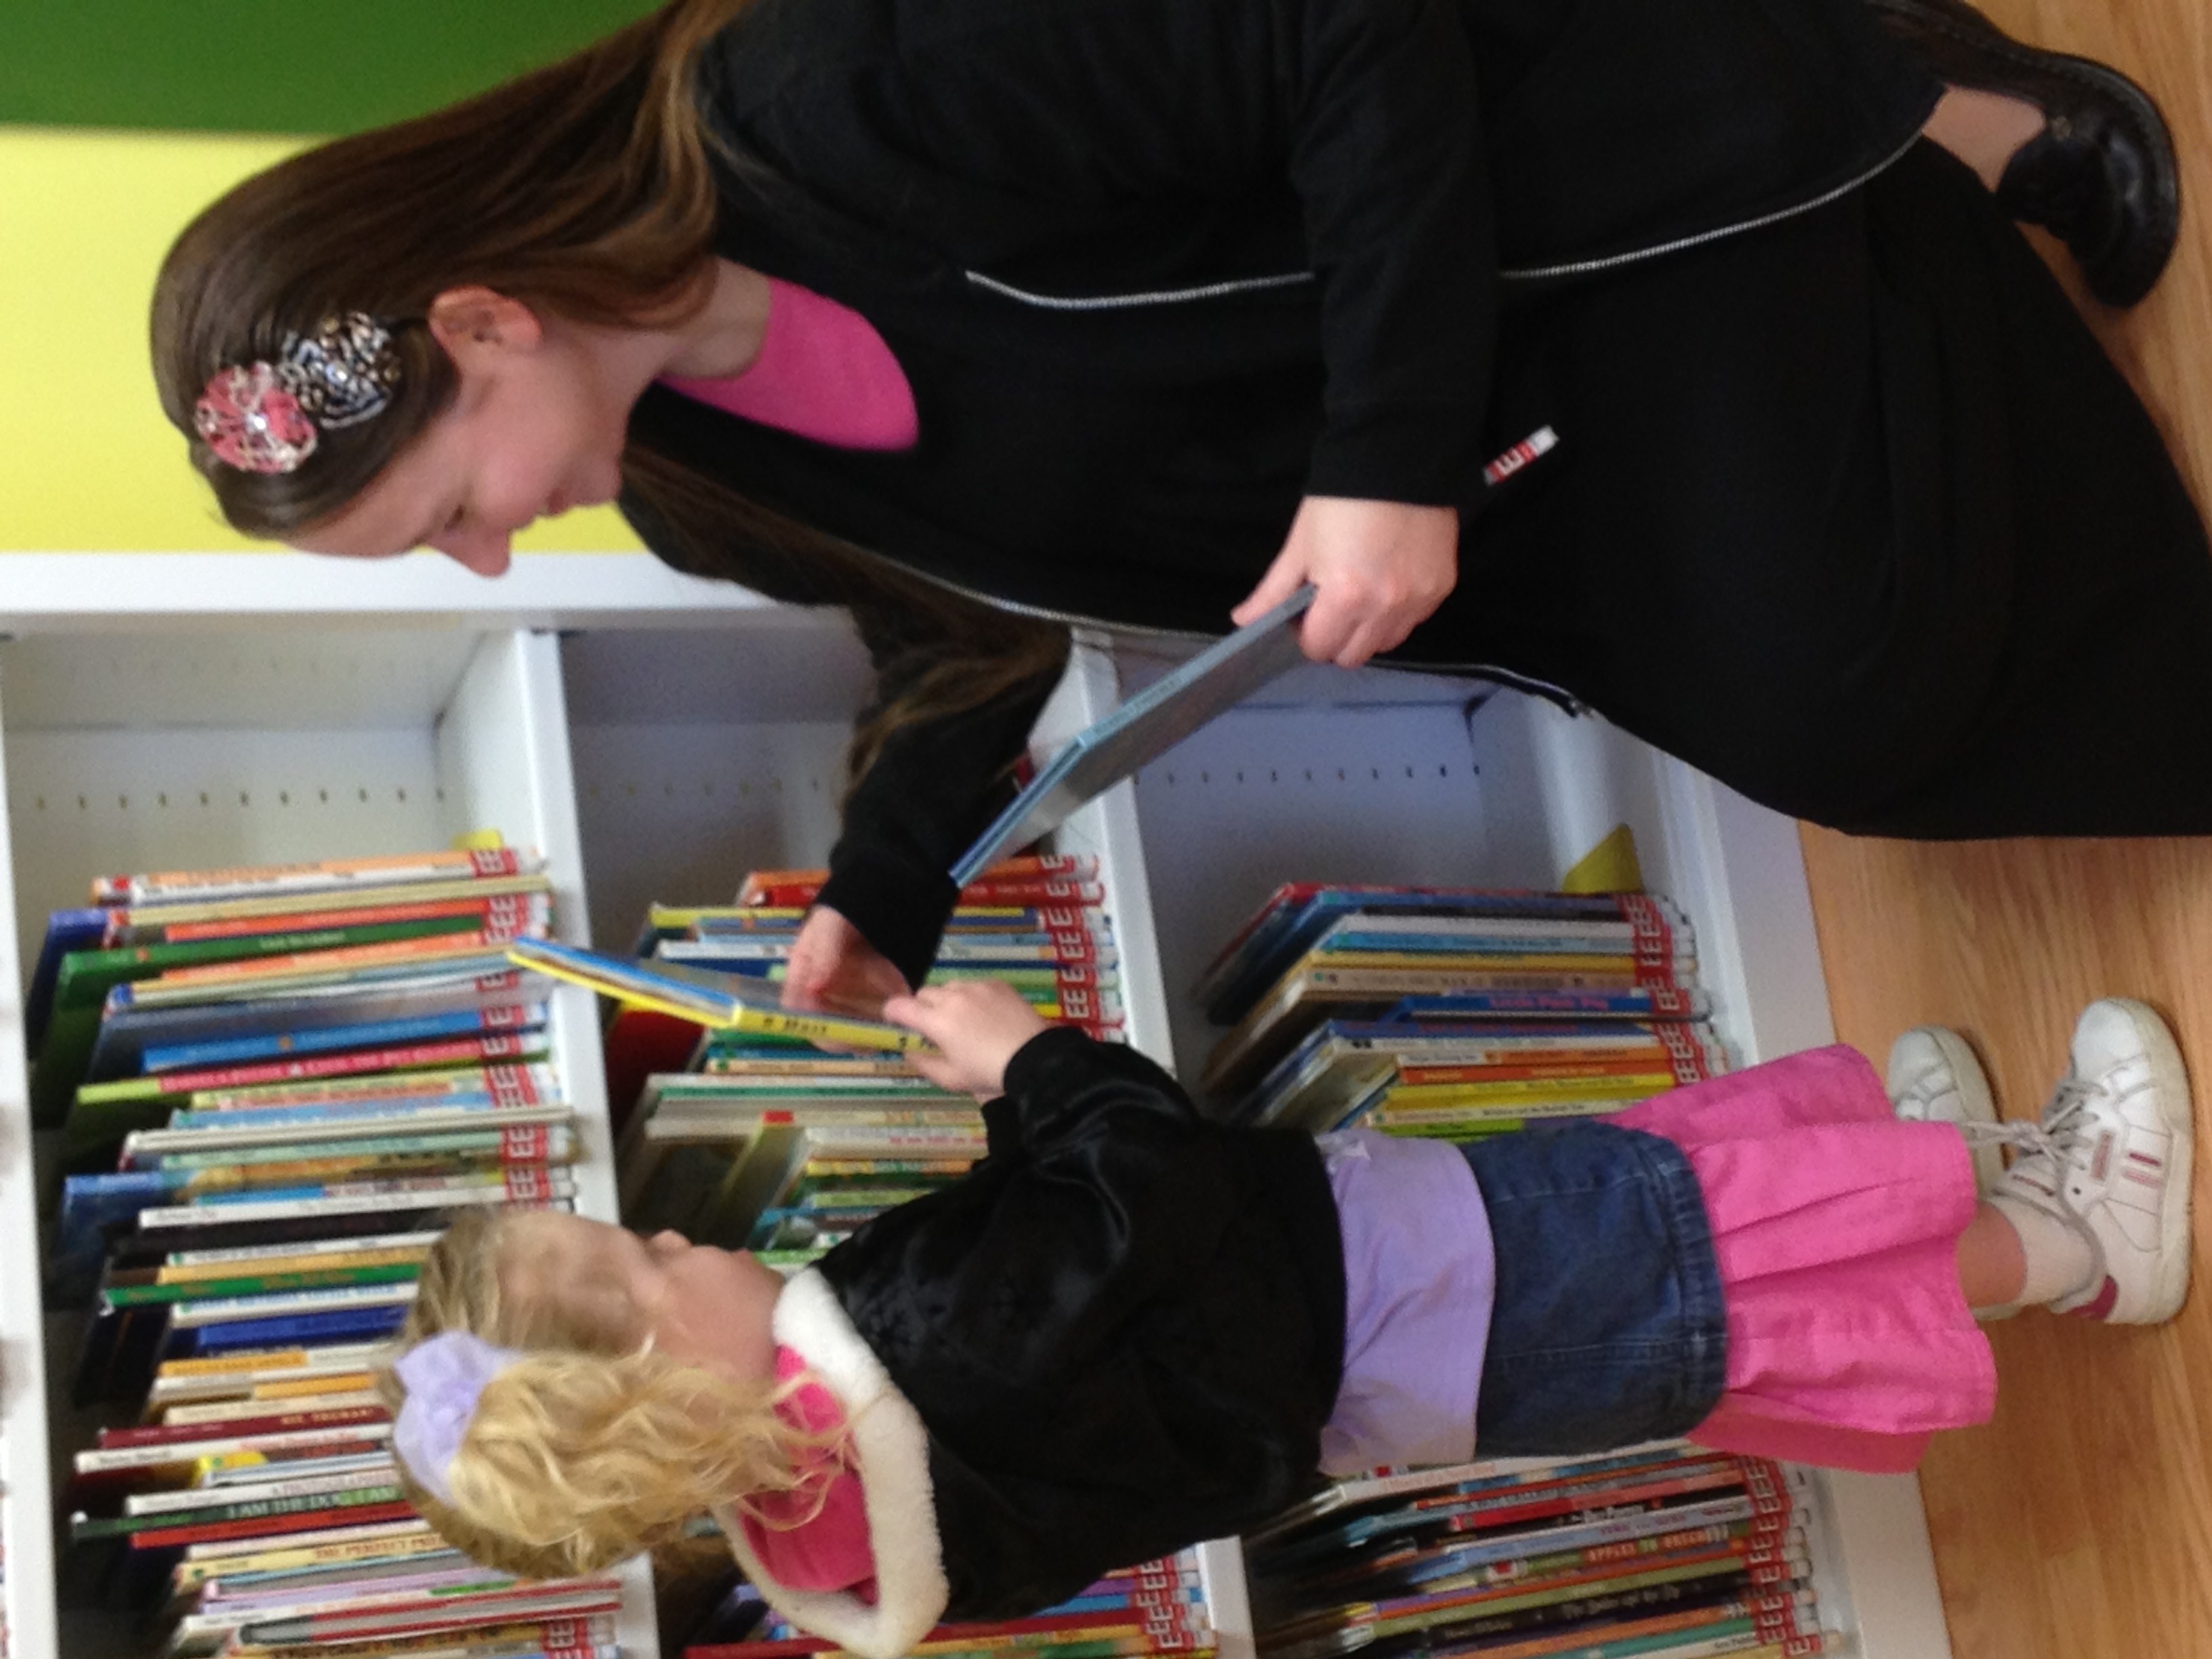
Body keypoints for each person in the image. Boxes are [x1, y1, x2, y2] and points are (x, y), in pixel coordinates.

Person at [151, 0, 2212, 1017]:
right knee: (1835, 726)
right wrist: (889, 886)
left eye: (447, 513)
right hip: (1487, 471)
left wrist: (1386, 451)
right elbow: (958, 630)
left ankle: (1896, 108)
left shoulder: (830, 98)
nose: (496, 555)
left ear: (486, 319)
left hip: (1553, 246)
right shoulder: (695, 491)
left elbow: (1348, 36)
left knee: (1860, 666)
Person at [380, 979, 2192, 1655]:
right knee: (1707, 1253)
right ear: (647, 1393)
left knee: (1705, 1270)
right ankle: (2078, 1234)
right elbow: (1150, 1180)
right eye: (647, 1277)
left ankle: (1948, 1166)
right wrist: (1035, 1067)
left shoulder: (843, 1520)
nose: (688, 1250)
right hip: (1414, 1277)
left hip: (1415, 1370)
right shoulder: (902, 1337)